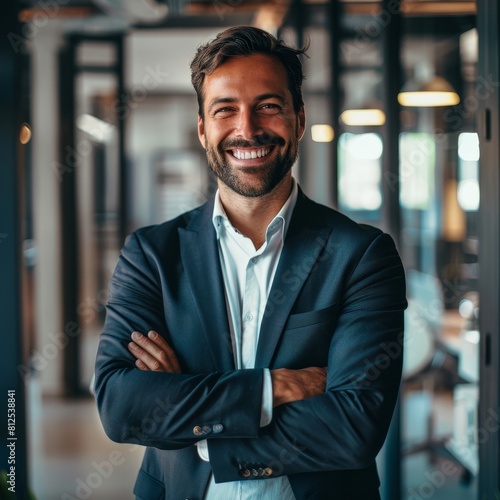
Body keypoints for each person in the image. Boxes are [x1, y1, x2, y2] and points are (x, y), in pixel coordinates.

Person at [94, 26, 407, 500]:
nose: (248, 128)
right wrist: (272, 389)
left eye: (268, 105)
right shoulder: (151, 255)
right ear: (203, 128)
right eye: (226, 110)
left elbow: (354, 428)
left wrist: (197, 423)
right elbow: (121, 406)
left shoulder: (361, 255)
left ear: (299, 119)